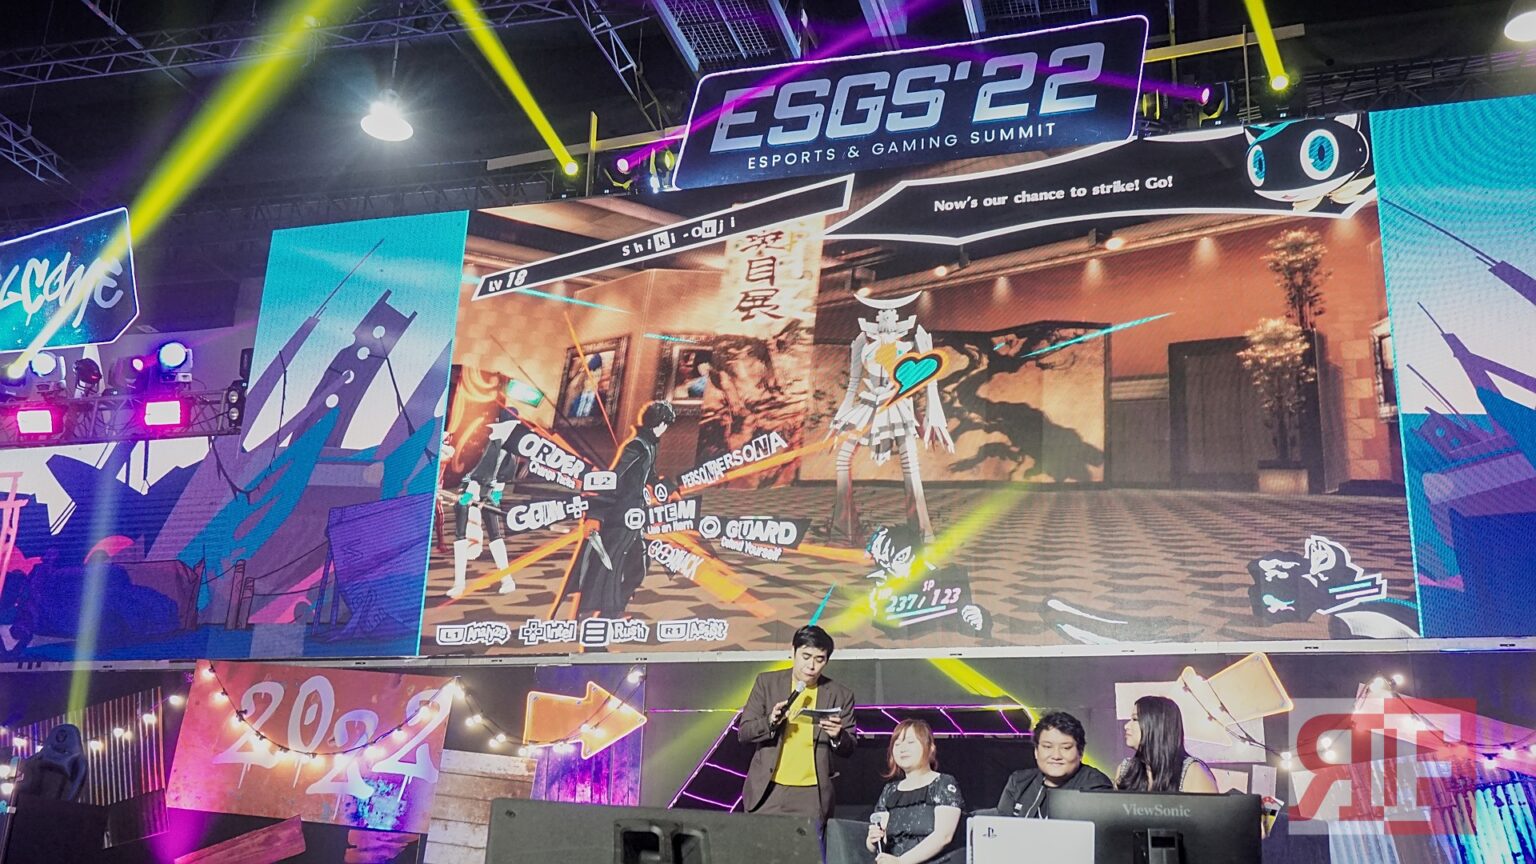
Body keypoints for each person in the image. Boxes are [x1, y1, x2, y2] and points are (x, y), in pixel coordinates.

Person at [739, 625, 857, 825]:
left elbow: (850, 747)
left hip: (811, 795)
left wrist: (838, 735)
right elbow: (744, 732)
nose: (811, 666)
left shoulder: (840, 694)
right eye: (806, 656)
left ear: (826, 661)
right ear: (793, 651)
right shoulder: (767, 683)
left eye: (819, 659)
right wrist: (770, 721)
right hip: (767, 791)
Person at [570, 401, 675, 617]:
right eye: (665, 423)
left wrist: (666, 488)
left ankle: (612, 610)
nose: (666, 428)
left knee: (638, 567)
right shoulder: (636, 446)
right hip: (621, 515)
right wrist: (597, 514)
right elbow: (614, 478)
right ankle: (603, 613)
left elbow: (649, 474)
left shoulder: (650, 445)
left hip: (636, 515)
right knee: (612, 565)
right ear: (659, 422)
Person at [865, 719, 965, 864]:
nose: (902, 748)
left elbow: (944, 836)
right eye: (897, 744)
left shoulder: (943, 783)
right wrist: (872, 841)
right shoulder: (890, 790)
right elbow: (876, 842)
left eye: (910, 742)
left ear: (930, 748)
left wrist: (901, 861)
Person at [996, 711, 1113, 818]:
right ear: (1036, 751)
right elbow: (1001, 826)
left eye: (1066, 748)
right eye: (1047, 747)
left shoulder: (1095, 786)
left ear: (1080, 752)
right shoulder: (1019, 782)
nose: (1056, 756)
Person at [1115, 695, 1220, 793]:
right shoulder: (1126, 770)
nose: (1126, 726)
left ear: (1157, 725)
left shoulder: (1193, 772)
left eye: (1135, 719)